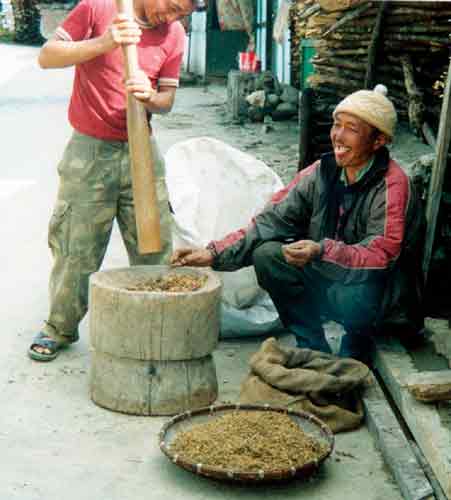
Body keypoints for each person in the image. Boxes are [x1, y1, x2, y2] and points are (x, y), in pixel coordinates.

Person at [171, 85, 425, 363]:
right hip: (334, 282)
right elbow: (272, 220)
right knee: (268, 255)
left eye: (351, 128)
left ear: (378, 141)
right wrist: (213, 253)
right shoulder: (322, 172)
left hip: (380, 297)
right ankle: (313, 346)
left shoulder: (392, 185)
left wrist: (321, 251)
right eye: (336, 125)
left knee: (360, 293)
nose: (337, 136)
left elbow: (381, 256)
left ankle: (358, 341)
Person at [28, 0, 202, 361]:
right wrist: (105, 43)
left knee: (155, 246)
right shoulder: (98, 8)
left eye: (181, 14)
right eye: (170, 7)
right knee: (76, 245)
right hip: (90, 151)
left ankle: (156, 325)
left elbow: (167, 99)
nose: (170, 18)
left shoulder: (175, 34)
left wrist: (149, 96)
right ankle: (59, 326)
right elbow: (47, 56)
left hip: (142, 147)